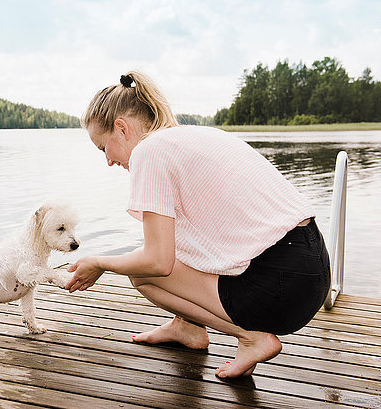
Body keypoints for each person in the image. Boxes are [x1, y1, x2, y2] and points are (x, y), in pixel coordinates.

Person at [65, 71, 331, 378]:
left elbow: (158, 262)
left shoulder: (149, 152)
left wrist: (99, 262)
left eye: (103, 148)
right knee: (165, 247)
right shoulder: (191, 136)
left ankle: (251, 338)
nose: (109, 161)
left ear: (121, 128)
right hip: (313, 271)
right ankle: (187, 327)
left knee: (140, 271)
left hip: (281, 288)